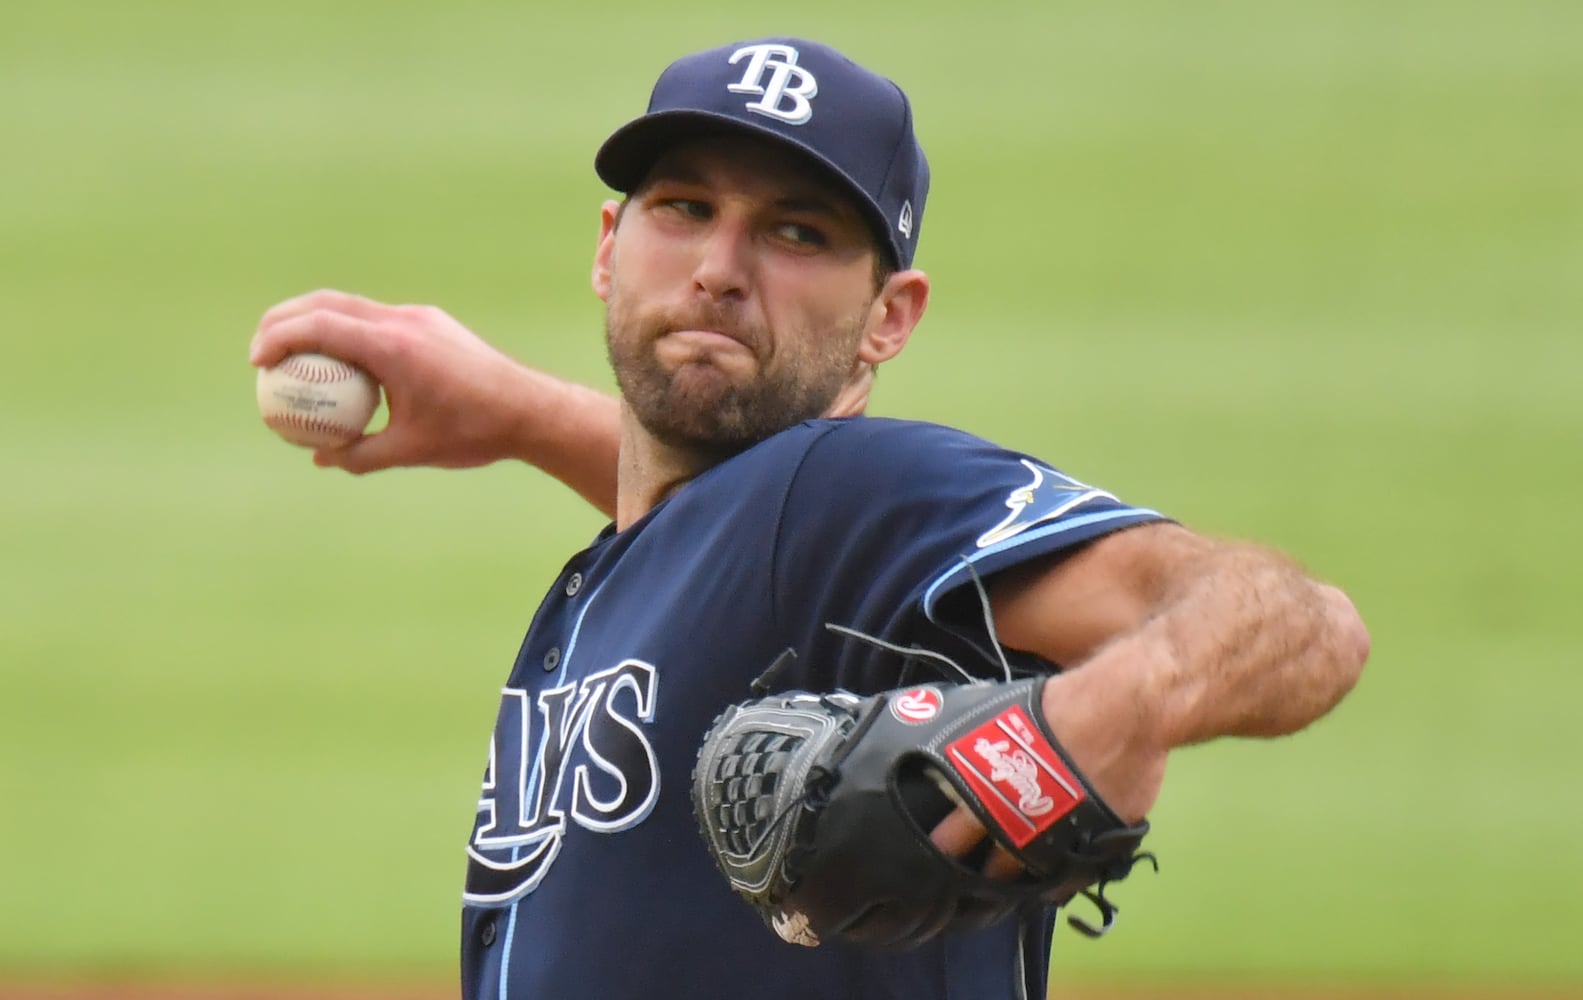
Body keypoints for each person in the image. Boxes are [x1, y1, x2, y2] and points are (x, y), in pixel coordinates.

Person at [251, 36, 1369, 1000]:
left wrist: (1091, 716)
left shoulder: (854, 490)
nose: (719, 270)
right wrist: (522, 413)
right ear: (607, 246)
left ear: (889, 317)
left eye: (796, 233)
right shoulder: (670, 550)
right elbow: (715, 542)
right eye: (682, 208)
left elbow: (1305, 622)